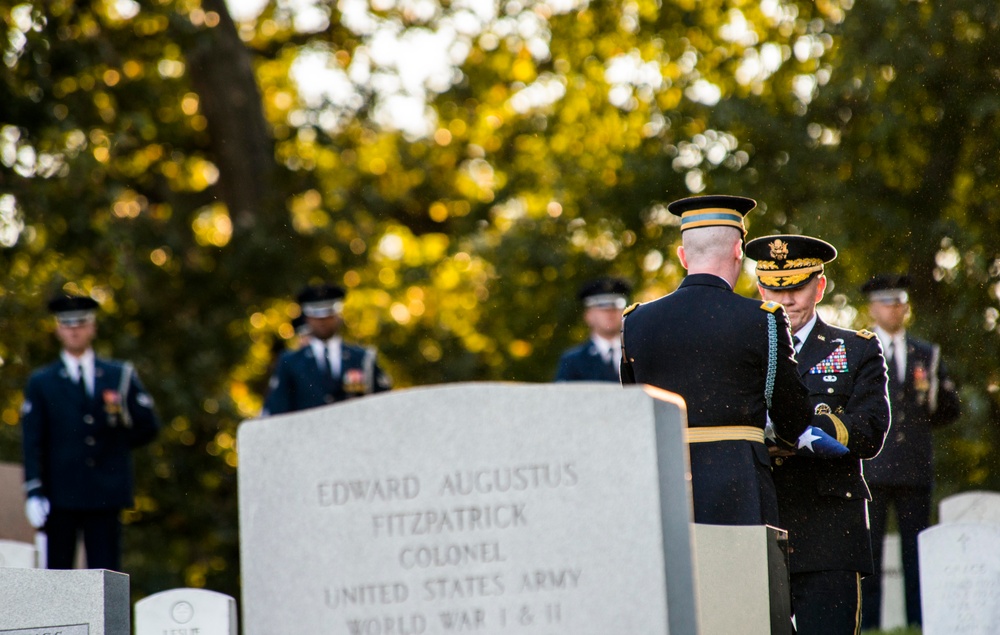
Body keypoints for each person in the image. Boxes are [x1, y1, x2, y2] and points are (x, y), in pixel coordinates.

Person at [620, 194, 813, 526]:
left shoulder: (636, 321)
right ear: (739, 251)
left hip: (664, 486)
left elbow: (633, 412)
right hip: (740, 488)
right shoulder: (762, 319)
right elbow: (793, 418)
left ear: (683, 256)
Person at [746, 235, 890, 634]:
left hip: (829, 527)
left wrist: (792, 430)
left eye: (796, 287)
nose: (786, 299)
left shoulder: (855, 349)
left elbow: (870, 430)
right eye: (775, 288)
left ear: (820, 286)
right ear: (760, 287)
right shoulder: (744, 349)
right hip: (759, 524)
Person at [20, 292, 161, 570]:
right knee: (58, 574)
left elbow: (148, 426)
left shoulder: (117, 375)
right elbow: (32, 439)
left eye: (81, 323)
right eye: (68, 324)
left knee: (105, 574)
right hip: (60, 495)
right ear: (58, 329)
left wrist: (115, 445)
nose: (75, 330)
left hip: (105, 493)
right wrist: (34, 489)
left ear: (92, 326)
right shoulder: (42, 382)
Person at [859, 273, 960, 630]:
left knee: (917, 553)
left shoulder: (926, 353)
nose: (895, 309)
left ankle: (919, 621)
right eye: (887, 302)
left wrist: (937, 395)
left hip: (914, 467)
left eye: (900, 301)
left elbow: (947, 409)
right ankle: (868, 624)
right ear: (872, 307)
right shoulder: (861, 348)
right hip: (871, 469)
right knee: (868, 554)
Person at [262, 282, 391, 416]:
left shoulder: (363, 358)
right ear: (307, 318)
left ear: (338, 315)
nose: (322, 321)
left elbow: (384, 403)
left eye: (328, 315)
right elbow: (277, 410)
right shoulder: (290, 362)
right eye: (316, 316)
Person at [554, 277, 632, 382]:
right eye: (602, 309)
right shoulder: (573, 361)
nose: (610, 314)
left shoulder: (637, 355)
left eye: (615, 308)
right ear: (588, 315)